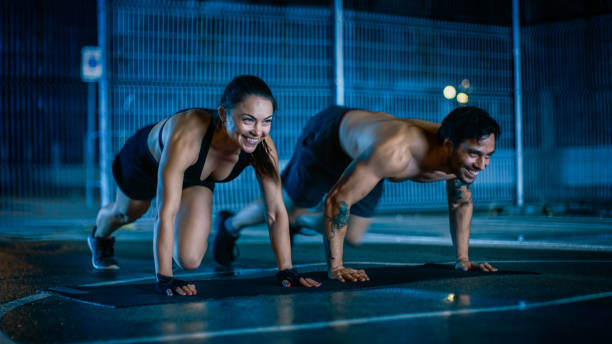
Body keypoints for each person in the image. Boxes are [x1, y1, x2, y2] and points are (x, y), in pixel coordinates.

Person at [87, 75, 321, 295]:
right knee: (127, 213)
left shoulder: (262, 145)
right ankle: (100, 236)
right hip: (144, 164)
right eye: (248, 119)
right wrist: (165, 278)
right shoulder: (187, 135)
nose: (257, 131)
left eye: (266, 121)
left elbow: (276, 212)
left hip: (195, 176)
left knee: (190, 259)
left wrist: (287, 270)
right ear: (223, 113)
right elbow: (165, 213)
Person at [213, 105, 500, 282]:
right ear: (449, 145)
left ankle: (298, 223)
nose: (482, 164)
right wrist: (335, 268)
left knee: (352, 236)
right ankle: (229, 224)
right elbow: (338, 200)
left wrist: (462, 260)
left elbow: (461, 203)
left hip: (364, 151)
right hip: (328, 139)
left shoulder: (462, 157)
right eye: (476, 155)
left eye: (488, 156)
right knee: (287, 207)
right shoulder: (396, 153)